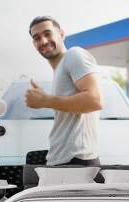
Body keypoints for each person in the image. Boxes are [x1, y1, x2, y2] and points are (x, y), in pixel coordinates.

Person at [25, 16, 103, 166]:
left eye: (48, 34)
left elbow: (95, 100)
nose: (43, 41)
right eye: (37, 38)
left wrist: (46, 101)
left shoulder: (74, 55)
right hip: (63, 160)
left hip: (77, 161)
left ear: (61, 34)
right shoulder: (59, 70)